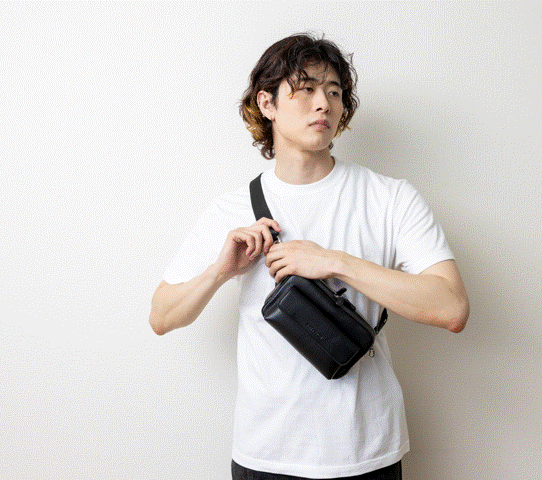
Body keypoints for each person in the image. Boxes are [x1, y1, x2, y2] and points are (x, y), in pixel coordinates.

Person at [149, 33, 469, 480]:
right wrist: (219, 272)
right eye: (306, 89)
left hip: (367, 452)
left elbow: (451, 308)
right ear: (267, 103)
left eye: (334, 92)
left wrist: (336, 262)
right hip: (266, 454)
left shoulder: (390, 198)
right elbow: (161, 316)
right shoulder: (230, 209)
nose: (324, 104)